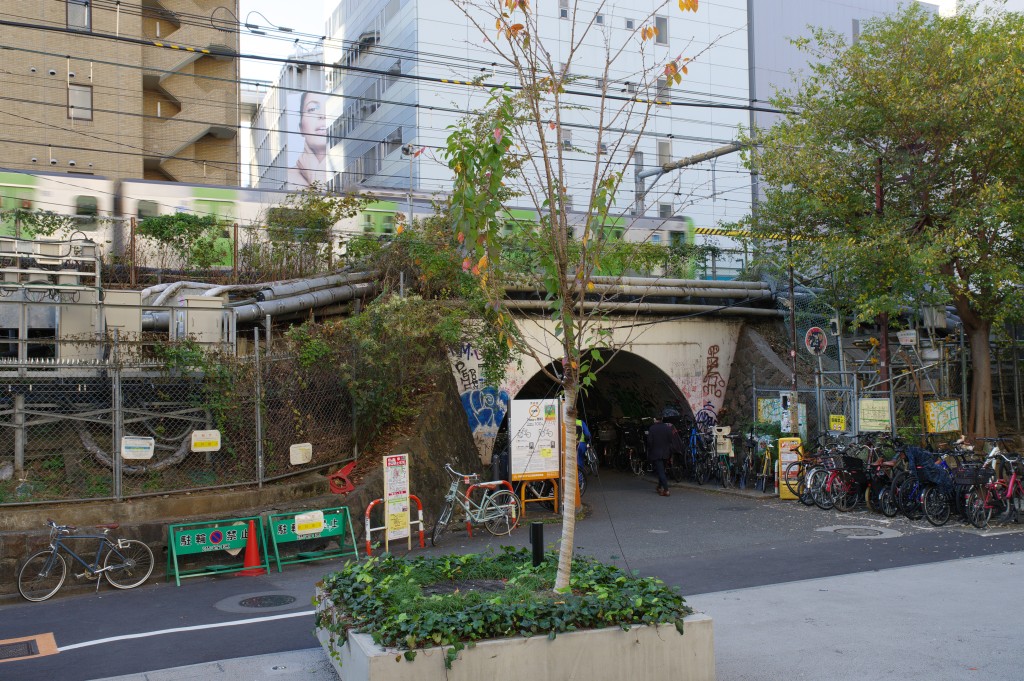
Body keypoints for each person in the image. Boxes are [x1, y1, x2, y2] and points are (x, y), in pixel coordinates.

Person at [288, 91, 327, 188]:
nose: (322, 115)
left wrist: (314, 176)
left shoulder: (351, 171)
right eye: (313, 109)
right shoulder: (288, 178)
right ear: (301, 127)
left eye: (329, 106)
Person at [646, 411, 677, 496]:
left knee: (661, 472)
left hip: (656, 452)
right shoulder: (667, 428)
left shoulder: (652, 428)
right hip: (666, 452)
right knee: (662, 470)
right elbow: (671, 439)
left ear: (654, 419)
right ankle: (659, 486)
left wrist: (650, 449)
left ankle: (666, 490)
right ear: (662, 419)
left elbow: (649, 442)